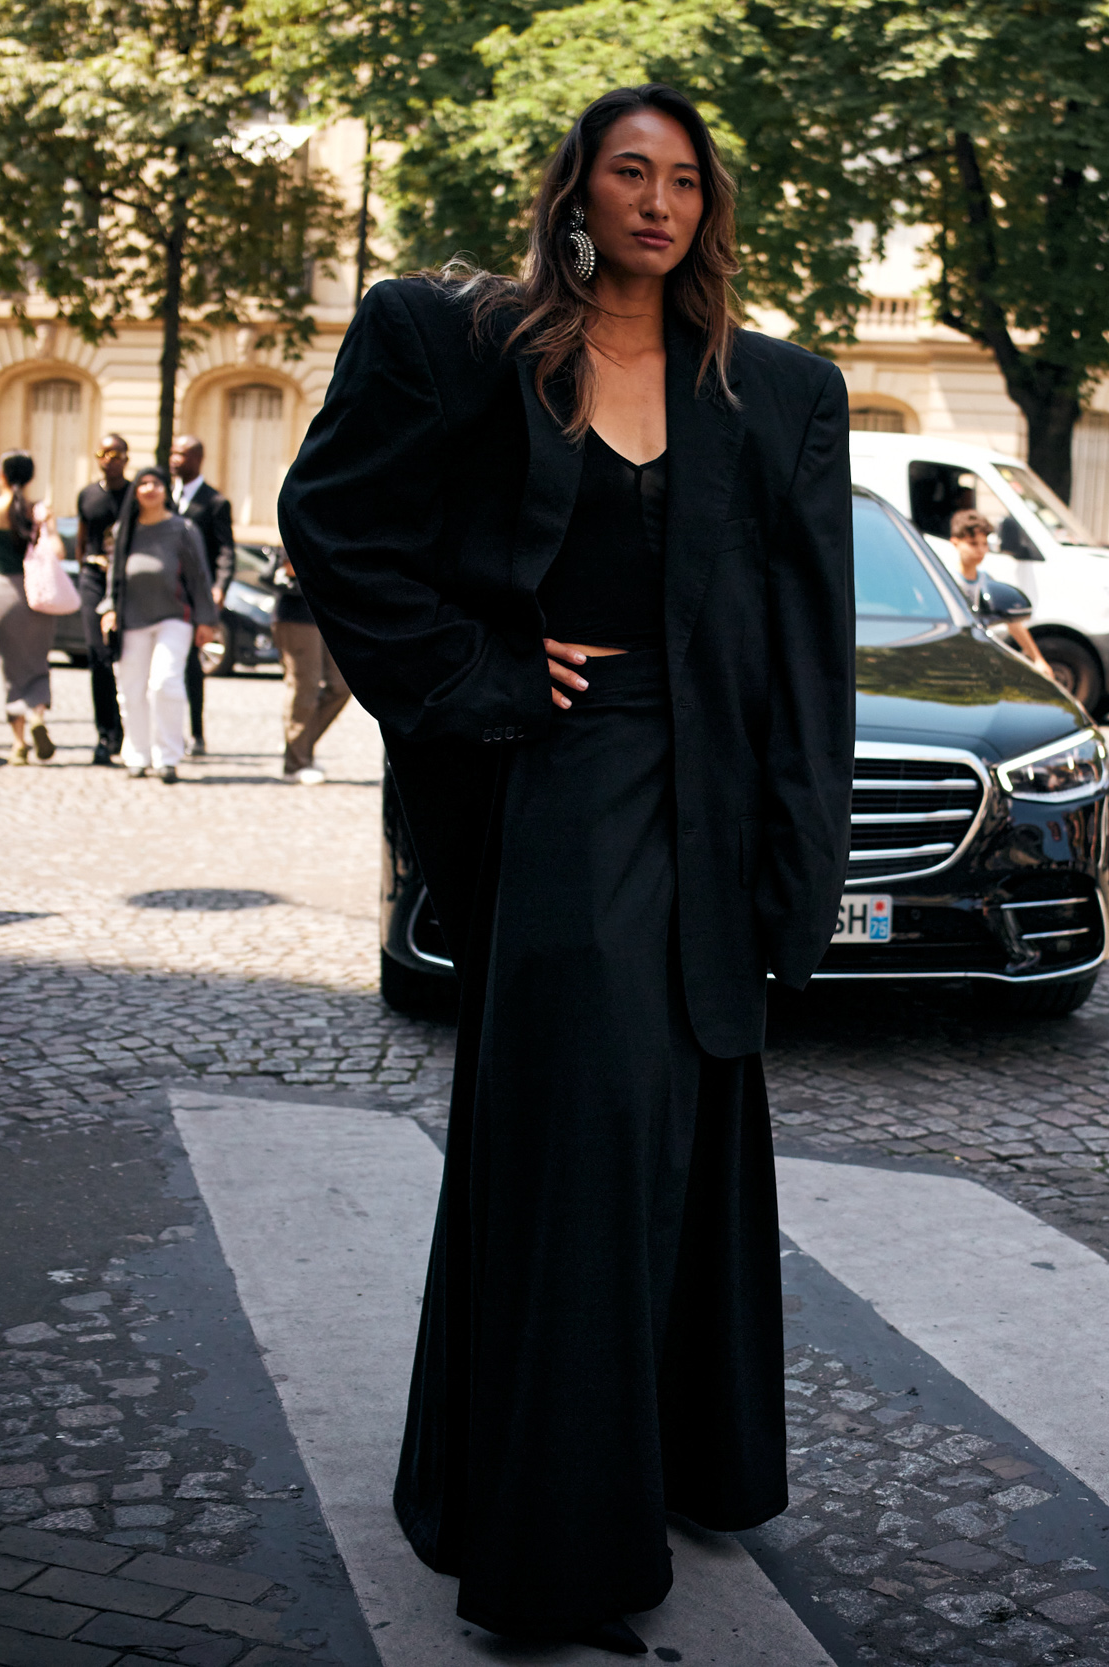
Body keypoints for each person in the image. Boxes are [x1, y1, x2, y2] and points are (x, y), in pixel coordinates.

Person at [279, 83, 853, 1654]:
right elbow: (330, 519)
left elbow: (808, 646)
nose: (658, 203)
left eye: (684, 180)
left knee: (684, 1132)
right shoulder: (475, 348)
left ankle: (672, 1457)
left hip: (714, 809)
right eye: (629, 173)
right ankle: (551, 1546)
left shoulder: (782, 393)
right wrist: (479, 669)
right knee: (580, 1146)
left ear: (709, 208)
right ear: (580, 192)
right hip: (568, 799)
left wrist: (806, 857)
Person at [100, 466, 215, 783]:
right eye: (143, 483)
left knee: (165, 683)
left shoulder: (183, 529)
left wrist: (206, 619)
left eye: (156, 483)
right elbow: (113, 574)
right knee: (131, 689)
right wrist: (109, 608)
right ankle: (137, 755)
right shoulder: (125, 530)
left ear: (166, 490)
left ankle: (168, 757)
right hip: (131, 619)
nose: (149, 488)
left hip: (174, 617)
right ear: (135, 491)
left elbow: (199, 577)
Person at [0, 451, 58, 764]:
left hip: (2, 593)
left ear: (2, 476)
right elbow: (57, 552)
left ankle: (19, 744)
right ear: (31, 477)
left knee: (10, 668)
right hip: (37, 593)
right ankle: (37, 716)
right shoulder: (39, 511)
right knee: (37, 662)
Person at [170, 435, 232, 757]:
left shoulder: (215, 502)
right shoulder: (163, 495)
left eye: (182, 454)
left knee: (193, 665)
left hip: (196, 592)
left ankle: (196, 732)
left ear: (197, 458)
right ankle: (168, 731)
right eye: (173, 453)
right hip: (166, 590)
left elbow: (225, 551)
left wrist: (220, 586)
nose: (175, 459)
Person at [269, 544, 350, 783]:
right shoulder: (304, 514)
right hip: (298, 617)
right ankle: (295, 764)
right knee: (305, 686)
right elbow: (291, 567)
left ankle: (299, 747)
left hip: (328, 618)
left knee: (342, 685)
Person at [75, 436, 133, 765]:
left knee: (127, 656)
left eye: (116, 454)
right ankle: (105, 734)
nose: (109, 459)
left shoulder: (134, 494)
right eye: (102, 453)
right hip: (93, 577)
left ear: (126, 458)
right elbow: (82, 541)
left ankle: (131, 731)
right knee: (97, 655)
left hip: (127, 581)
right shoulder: (88, 494)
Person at [945, 508, 1047, 671]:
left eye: (984, 544)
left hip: (978, 656)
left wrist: (1037, 659)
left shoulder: (987, 580)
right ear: (955, 542)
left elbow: (1012, 622)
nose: (980, 550)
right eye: (973, 544)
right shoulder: (947, 580)